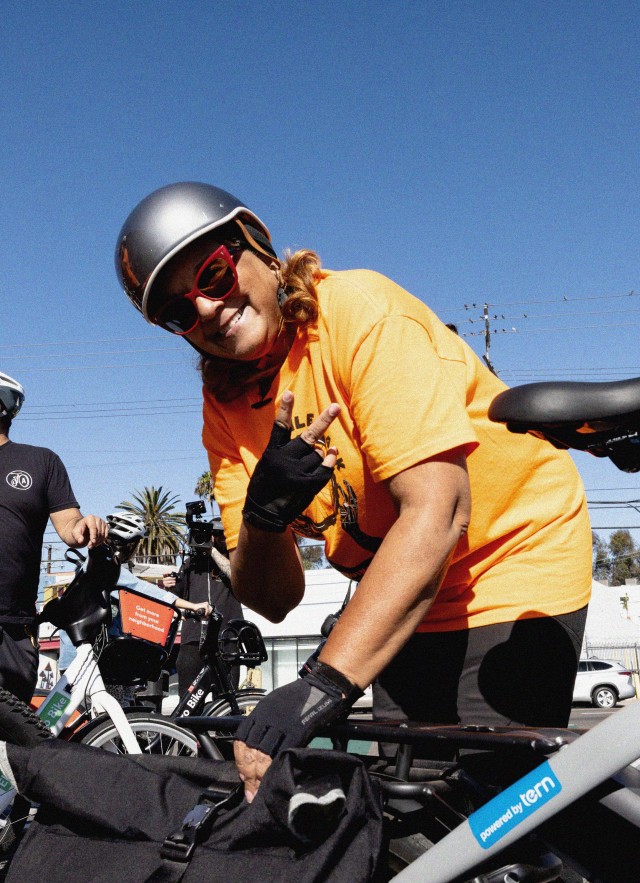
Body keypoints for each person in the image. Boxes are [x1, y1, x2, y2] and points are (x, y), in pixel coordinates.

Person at [115, 182, 592, 802]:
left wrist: (320, 686)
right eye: (178, 313)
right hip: (408, 583)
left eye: (213, 275)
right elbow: (274, 598)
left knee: (485, 811)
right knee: (408, 800)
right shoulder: (227, 403)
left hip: (509, 556)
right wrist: (263, 517)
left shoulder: (357, 312)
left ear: (256, 247)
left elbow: (441, 510)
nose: (205, 309)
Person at [0, 372, 108, 703]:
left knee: (18, 740)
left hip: (13, 627)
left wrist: (85, 526)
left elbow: (69, 526)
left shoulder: (41, 461)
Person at [170, 527, 242, 695]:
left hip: (227, 639)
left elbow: (236, 575)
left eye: (225, 533)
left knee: (226, 700)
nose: (221, 537)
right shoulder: (191, 564)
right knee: (189, 701)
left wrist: (213, 551)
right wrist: (168, 583)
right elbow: (174, 600)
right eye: (216, 534)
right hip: (193, 641)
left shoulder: (236, 561)